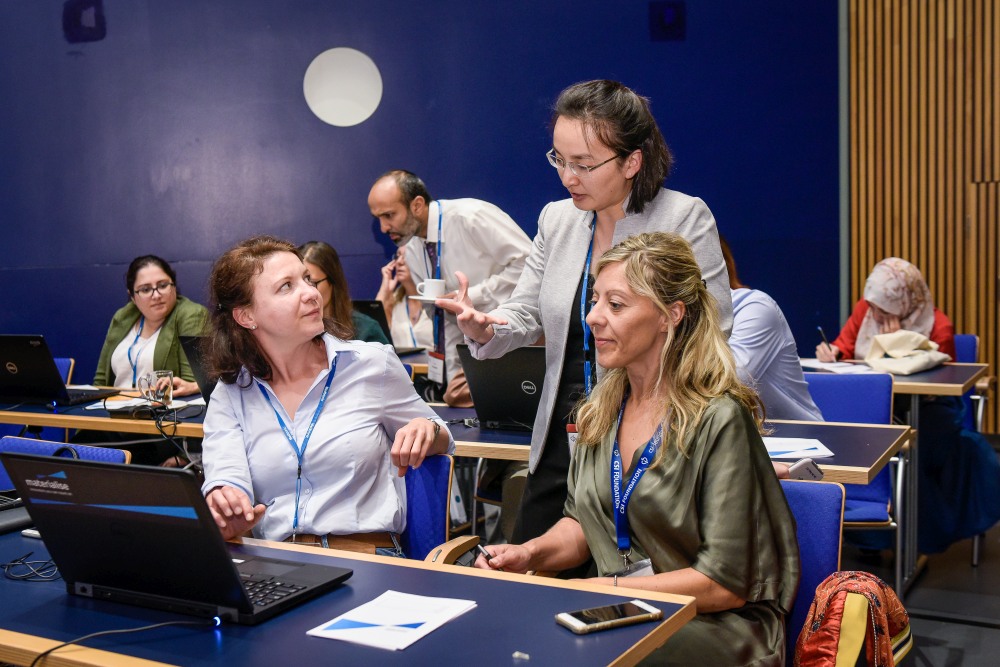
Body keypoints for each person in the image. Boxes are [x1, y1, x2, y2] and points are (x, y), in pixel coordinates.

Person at [475, 232, 798, 665]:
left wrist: (602, 589)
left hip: (714, 625)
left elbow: (724, 585)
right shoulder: (601, 410)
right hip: (624, 608)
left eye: (616, 304)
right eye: (594, 301)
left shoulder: (719, 419)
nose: (593, 317)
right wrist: (529, 552)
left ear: (670, 315)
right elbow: (583, 523)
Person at [439, 80, 732, 543]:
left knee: (627, 570)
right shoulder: (556, 220)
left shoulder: (683, 218)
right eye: (559, 159)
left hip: (649, 436)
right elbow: (526, 312)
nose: (567, 177)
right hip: (564, 432)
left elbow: (714, 329)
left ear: (632, 161)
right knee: (532, 562)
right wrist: (488, 326)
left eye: (583, 164)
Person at [200, 236, 453, 553]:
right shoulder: (231, 393)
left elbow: (442, 436)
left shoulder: (371, 364)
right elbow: (226, 479)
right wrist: (228, 509)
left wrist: (427, 428)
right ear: (246, 316)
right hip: (279, 559)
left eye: (307, 279)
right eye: (286, 287)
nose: (311, 293)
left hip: (366, 555)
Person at [816, 257, 1000, 553]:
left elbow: (937, 384)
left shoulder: (939, 326)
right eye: (873, 307)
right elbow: (844, 346)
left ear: (905, 302)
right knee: (855, 435)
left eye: (883, 310)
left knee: (913, 445)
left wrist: (895, 346)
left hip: (930, 408)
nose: (875, 315)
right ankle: (865, 532)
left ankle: (913, 539)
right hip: (877, 406)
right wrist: (832, 351)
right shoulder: (866, 310)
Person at [367, 170, 532, 390]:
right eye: (378, 218)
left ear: (417, 205)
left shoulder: (471, 216)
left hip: (514, 346)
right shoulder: (412, 247)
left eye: (389, 215)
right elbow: (444, 320)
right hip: (470, 363)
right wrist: (455, 374)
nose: (383, 228)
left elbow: (529, 265)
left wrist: (472, 297)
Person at [721, 236, 823, 421]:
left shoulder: (754, 307)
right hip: (729, 435)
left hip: (795, 436)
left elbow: (726, 385)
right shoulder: (676, 317)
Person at [93, 255, 208, 397]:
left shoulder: (191, 315)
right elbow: (100, 379)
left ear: (174, 286)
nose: (156, 295)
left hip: (160, 406)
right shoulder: (123, 316)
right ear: (132, 296)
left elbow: (190, 383)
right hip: (113, 405)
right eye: (146, 289)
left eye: (163, 285)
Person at [298, 241, 390, 345]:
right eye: (298, 284)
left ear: (333, 281)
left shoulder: (366, 330)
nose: (307, 293)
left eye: (312, 283)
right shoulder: (292, 330)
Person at [374, 247, 434, 350]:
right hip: (401, 360)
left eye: (406, 256)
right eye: (398, 256)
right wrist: (385, 289)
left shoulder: (435, 299)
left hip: (432, 360)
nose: (399, 262)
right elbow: (373, 327)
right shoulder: (393, 301)